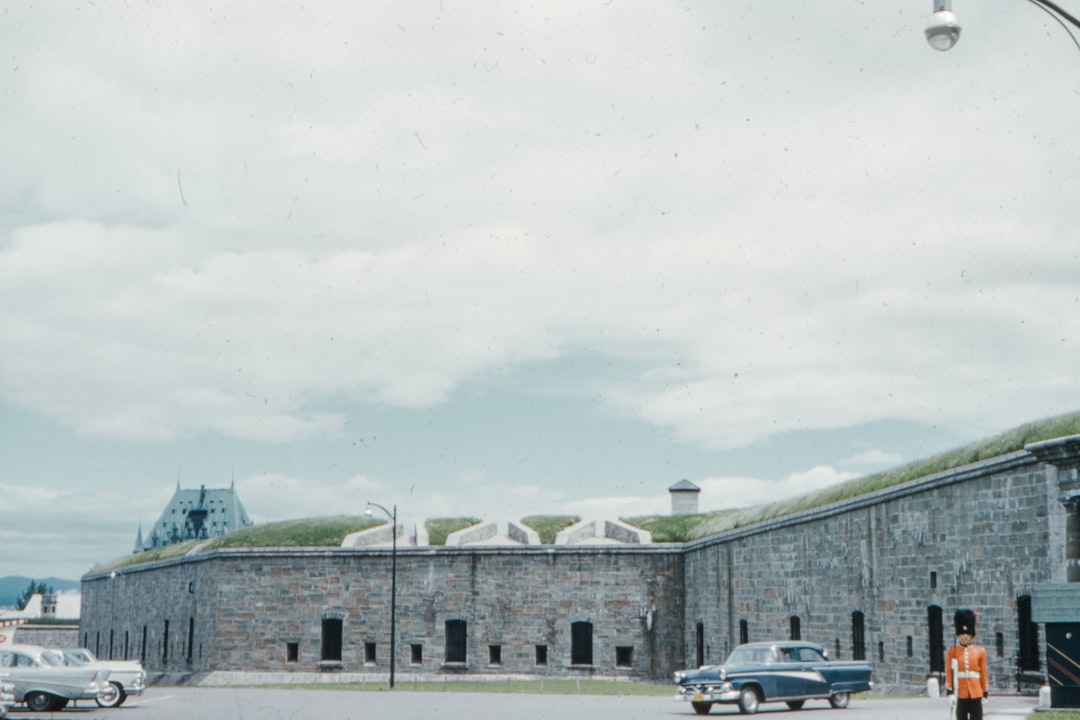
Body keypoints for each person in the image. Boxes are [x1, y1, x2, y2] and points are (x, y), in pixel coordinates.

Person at [945, 609, 988, 720]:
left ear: (972, 635)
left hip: (976, 692)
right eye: (962, 633)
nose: (965, 636)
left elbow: (983, 673)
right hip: (961, 692)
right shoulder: (952, 651)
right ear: (958, 634)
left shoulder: (980, 651)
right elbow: (949, 673)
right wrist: (950, 692)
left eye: (967, 634)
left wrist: (985, 692)